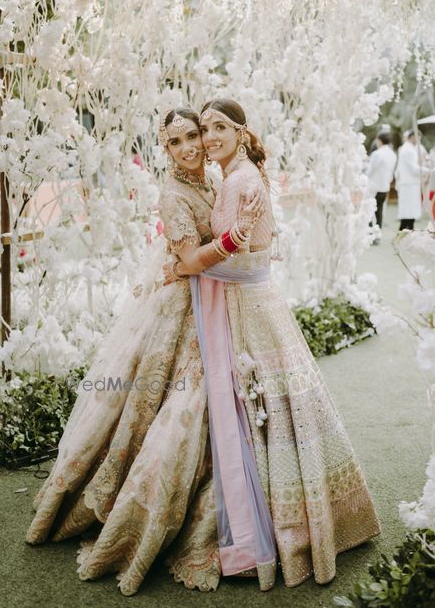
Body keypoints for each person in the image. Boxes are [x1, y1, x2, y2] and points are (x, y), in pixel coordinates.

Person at [25, 108, 264, 595]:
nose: (188, 148)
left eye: (192, 136)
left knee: (217, 398)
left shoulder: (216, 181)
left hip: (215, 303)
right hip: (181, 311)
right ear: (166, 149)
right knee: (179, 402)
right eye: (175, 143)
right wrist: (231, 241)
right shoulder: (173, 194)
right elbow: (191, 260)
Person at [164, 98, 381, 589]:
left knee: (271, 404)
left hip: (253, 307)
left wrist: (182, 266)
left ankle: (292, 531)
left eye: (220, 127)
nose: (208, 138)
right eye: (204, 130)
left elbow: (249, 254)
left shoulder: (239, 180)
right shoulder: (232, 176)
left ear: (242, 131)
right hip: (249, 303)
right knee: (276, 405)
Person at [395, 130, 431, 230]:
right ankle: (404, 234)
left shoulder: (410, 148)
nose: (419, 140)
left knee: (410, 213)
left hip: (411, 183)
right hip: (409, 184)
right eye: (418, 138)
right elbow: (414, 169)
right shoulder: (408, 150)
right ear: (412, 137)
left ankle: (408, 233)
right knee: (408, 213)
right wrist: (428, 171)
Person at [366, 130, 396, 239]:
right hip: (385, 186)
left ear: (379, 141)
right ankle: (377, 234)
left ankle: (370, 233)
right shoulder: (392, 154)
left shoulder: (377, 154)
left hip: (374, 186)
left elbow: (370, 171)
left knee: (369, 210)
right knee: (379, 211)